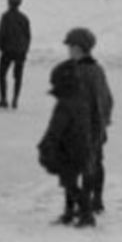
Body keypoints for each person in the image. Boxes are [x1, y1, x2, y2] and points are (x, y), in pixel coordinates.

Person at [37, 59, 95, 228]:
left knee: (69, 183)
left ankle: (86, 213)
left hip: (69, 149)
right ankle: (70, 213)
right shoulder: (79, 98)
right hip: (80, 147)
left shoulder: (65, 104)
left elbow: (56, 127)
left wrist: (47, 144)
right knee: (70, 181)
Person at [65, 27, 114, 215]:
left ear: (78, 48)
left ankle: (89, 204)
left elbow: (103, 100)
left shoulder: (91, 71)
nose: (68, 50)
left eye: (70, 46)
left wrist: (99, 126)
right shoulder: (81, 69)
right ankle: (90, 202)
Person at [0, 0, 31, 109]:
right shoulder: (24, 18)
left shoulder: (6, 17)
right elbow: (28, 36)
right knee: (18, 76)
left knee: (1, 74)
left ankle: (3, 99)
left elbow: (0, 34)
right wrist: (25, 50)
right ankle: (15, 100)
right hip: (20, 52)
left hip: (8, 51)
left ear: (9, 3)